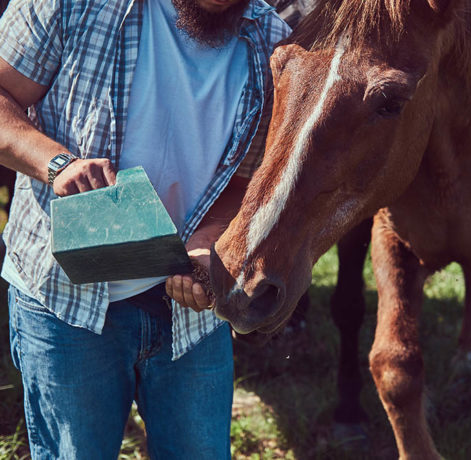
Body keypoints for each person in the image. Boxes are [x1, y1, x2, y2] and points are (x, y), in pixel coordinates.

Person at [0, 0, 290, 458]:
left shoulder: (270, 40)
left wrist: (206, 244)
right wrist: (54, 163)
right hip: (66, 303)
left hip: (189, 316)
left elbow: (245, 179)